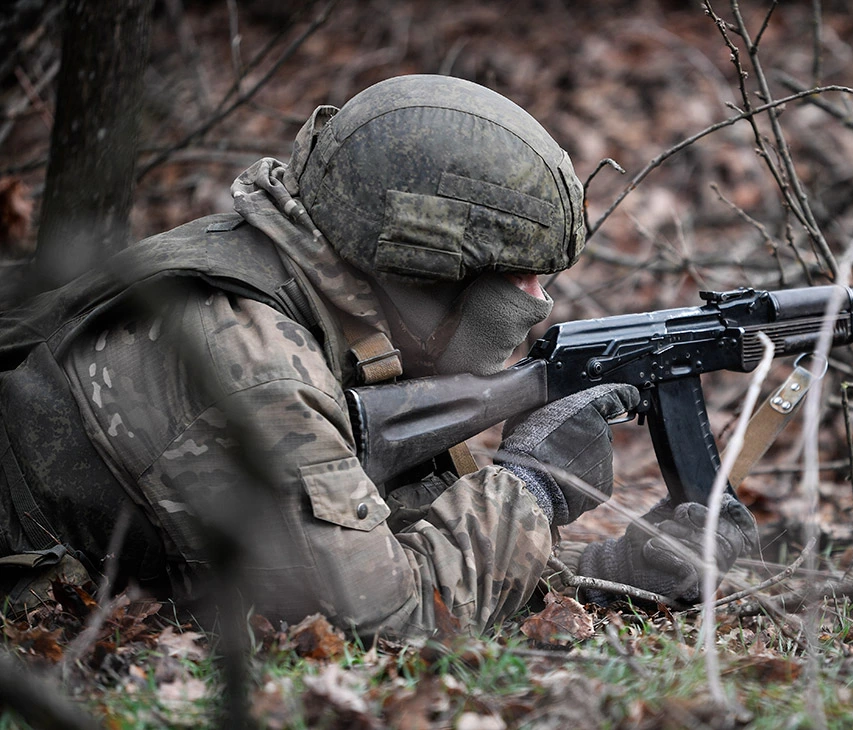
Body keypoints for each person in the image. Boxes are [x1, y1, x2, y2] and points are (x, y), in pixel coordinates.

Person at [0, 75, 756, 639]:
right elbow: (375, 622)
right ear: (419, 265)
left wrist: (614, 574)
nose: (537, 299)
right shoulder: (250, 359)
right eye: (517, 276)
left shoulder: (316, 295)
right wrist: (531, 488)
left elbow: (375, 539)